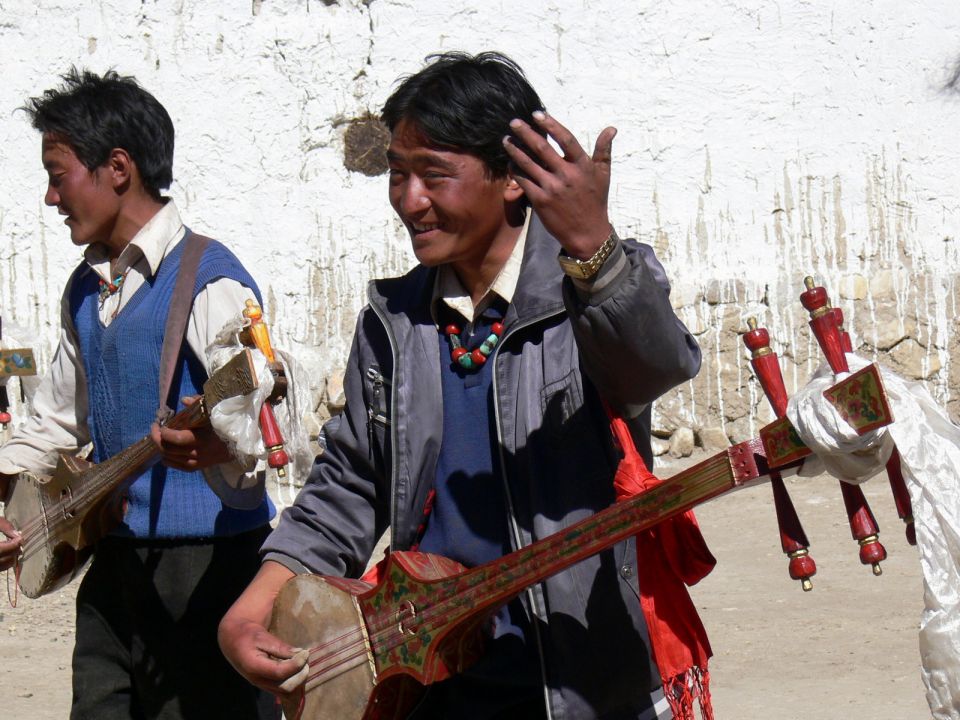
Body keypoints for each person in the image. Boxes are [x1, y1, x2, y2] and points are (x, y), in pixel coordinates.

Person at [218, 51, 703, 719]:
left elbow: (654, 366)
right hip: (432, 681)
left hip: (581, 682)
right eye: (397, 176)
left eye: (434, 176)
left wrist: (595, 251)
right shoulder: (395, 324)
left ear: (510, 178)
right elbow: (351, 485)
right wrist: (254, 605)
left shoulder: (588, 293)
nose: (409, 201)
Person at [0, 68, 279, 720]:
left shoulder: (211, 279)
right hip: (114, 563)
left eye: (58, 173)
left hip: (208, 571)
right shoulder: (83, 289)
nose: (49, 197)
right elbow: (53, 422)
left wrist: (223, 436)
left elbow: (253, 396)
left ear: (117, 168)